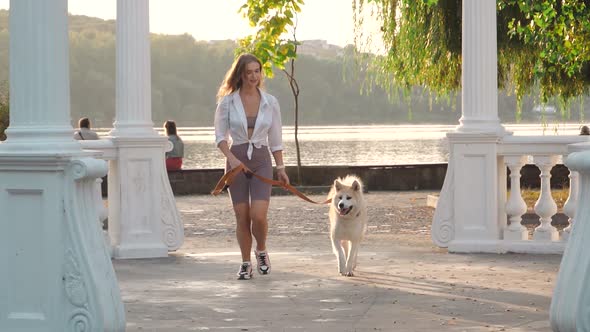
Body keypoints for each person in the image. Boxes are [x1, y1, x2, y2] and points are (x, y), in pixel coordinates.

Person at [214, 53, 289, 280]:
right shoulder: (227, 102)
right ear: (241, 74)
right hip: (235, 160)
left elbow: (276, 139)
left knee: (258, 215)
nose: (254, 76)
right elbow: (219, 137)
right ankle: (246, 262)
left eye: (257, 71)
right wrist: (233, 159)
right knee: (242, 216)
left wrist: (281, 168)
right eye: (249, 72)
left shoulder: (270, 102)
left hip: (261, 159)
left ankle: (262, 250)